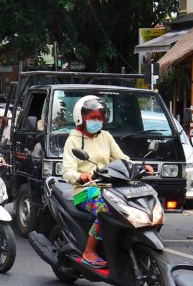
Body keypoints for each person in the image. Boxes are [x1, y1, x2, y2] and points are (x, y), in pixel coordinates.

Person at [61, 96, 152, 268]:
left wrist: (140, 167)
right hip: (86, 191)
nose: (96, 121)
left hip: (110, 188)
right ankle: (89, 252)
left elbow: (122, 158)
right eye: (92, 118)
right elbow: (67, 171)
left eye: (99, 118)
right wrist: (80, 176)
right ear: (82, 118)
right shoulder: (73, 139)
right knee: (107, 211)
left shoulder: (106, 136)